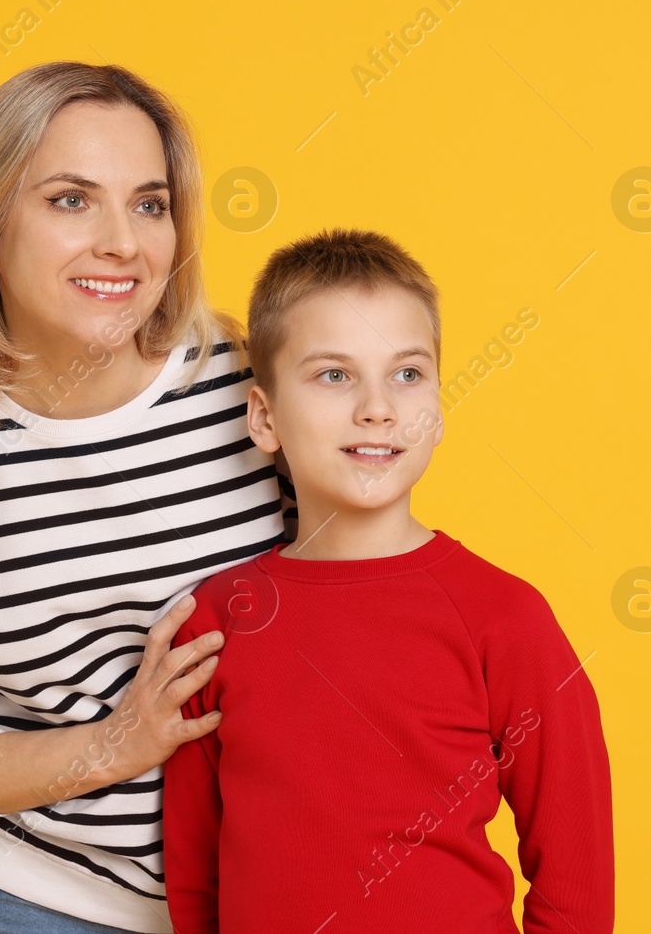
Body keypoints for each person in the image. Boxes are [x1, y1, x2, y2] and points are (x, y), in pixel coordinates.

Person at [0, 61, 295, 934]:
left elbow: (375, 596)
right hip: (43, 905)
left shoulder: (256, 398)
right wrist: (111, 744)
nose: (123, 242)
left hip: (282, 895)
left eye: (149, 204)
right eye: (71, 200)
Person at [161, 228, 614, 933]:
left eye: (407, 373)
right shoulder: (217, 620)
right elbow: (195, 875)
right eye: (334, 374)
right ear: (264, 416)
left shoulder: (505, 617)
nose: (378, 406)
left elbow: (576, 871)